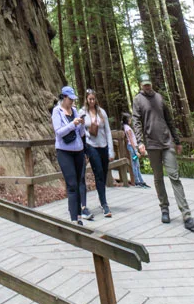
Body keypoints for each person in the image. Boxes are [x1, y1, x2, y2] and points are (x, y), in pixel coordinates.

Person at [132, 74, 194, 231]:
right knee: (158, 178)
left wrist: (177, 140)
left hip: (166, 142)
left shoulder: (160, 98)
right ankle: (164, 208)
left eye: (149, 84)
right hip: (151, 144)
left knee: (174, 176)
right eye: (145, 85)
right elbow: (136, 121)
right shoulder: (138, 100)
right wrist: (140, 142)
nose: (147, 87)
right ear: (141, 85)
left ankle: (186, 214)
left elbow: (170, 120)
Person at [51, 85, 94, 224]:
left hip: (78, 151)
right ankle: (74, 219)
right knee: (72, 185)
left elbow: (81, 134)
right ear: (64, 97)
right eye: (70, 99)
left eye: (73, 99)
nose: (72, 102)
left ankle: (80, 215)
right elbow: (59, 131)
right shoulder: (57, 111)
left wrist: (81, 124)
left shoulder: (75, 111)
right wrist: (73, 124)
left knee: (79, 182)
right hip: (64, 152)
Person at [82, 88, 115, 217]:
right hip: (91, 146)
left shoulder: (102, 113)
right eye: (89, 99)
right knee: (99, 173)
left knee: (104, 173)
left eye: (93, 98)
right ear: (86, 99)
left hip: (103, 145)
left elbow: (107, 131)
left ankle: (102, 199)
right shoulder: (82, 112)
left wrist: (111, 151)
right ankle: (104, 204)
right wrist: (88, 137)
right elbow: (81, 130)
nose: (91, 101)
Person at [122, 112, 149, 187]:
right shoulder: (128, 128)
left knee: (136, 163)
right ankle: (137, 181)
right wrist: (136, 151)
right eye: (129, 119)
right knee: (135, 164)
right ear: (127, 120)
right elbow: (131, 140)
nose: (130, 120)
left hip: (131, 147)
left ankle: (140, 180)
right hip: (132, 148)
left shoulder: (125, 127)